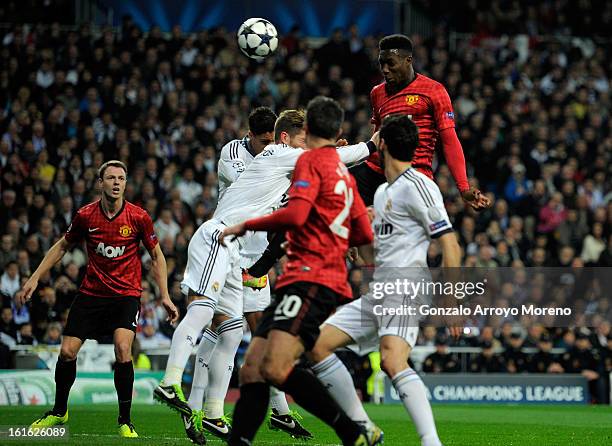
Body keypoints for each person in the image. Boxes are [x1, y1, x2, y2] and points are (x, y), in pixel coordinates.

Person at [154, 105, 376, 443]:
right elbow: (331, 162)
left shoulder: (289, 172)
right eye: (304, 139)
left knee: (230, 329)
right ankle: (170, 383)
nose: (308, 146)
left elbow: (311, 190)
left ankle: (215, 412)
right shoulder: (277, 153)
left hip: (239, 252)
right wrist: (372, 145)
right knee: (202, 310)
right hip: (222, 233)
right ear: (287, 139)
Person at [220, 96, 374, 446]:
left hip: (312, 280)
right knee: (253, 370)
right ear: (336, 132)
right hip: (302, 279)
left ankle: (353, 433)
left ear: (306, 132)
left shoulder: (308, 163)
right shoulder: (342, 175)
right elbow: (363, 234)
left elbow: (296, 215)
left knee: (273, 368)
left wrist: (247, 225)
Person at [310, 114, 461, 446]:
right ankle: (363, 425)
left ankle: (430, 441)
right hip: (380, 289)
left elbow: (450, 243)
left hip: (406, 286)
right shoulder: (382, 195)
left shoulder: (420, 185)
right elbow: (372, 259)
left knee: (393, 360)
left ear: (382, 144)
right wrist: (359, 243)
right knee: (316, 346)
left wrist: (452, 299)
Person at [16, 160, 178, 438]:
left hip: (125, 295)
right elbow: (62, 246)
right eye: (111, 178)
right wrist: (34, 277)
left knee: (123, 349)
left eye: (122, 178)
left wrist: (164, 295)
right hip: (91, 293)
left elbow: (157, 256)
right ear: (100, 183)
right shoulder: (86, 215)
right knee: (66, 352)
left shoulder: (139, 217)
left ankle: (125, 421)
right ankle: (59, 412)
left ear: (126, 184)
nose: (117, 183)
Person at [349, 34, 490, 210]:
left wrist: (463, 188)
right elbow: (378, 136)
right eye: (381, 63)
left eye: (390, 63)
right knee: (336, 184)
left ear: (408, 60)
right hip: (377, 171)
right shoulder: (377, 93)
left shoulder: (434, 91)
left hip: (413, 173)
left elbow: (450, 141)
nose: (385, 69)